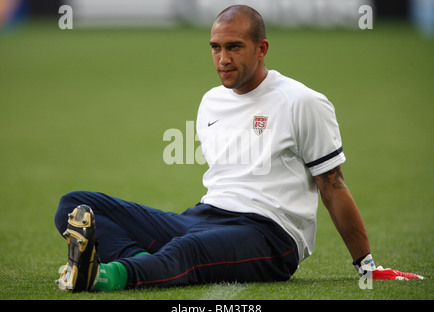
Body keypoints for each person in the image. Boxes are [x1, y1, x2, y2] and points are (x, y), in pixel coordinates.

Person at [55, 5, 422, 293]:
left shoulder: (302, 102)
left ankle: (103, 278)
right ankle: (141, 263)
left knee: (185, 253)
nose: (222, 59)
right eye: (215, 48)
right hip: (203, 218)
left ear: (261, 49)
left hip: (270, 236)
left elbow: (333, 184)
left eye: (234, 47)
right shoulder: (211, 101)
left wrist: (366, 264)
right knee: (75, 205)